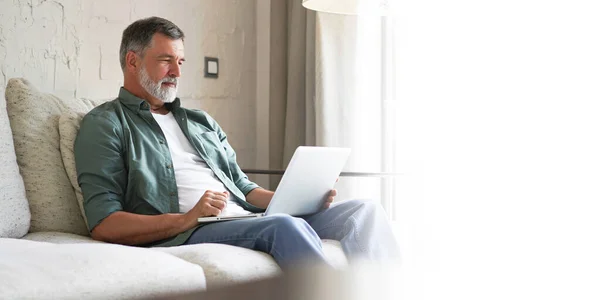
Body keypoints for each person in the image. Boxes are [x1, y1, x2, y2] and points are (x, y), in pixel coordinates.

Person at [75, 16, 399, 269]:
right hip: (190, 231)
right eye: (165, 60)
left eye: (181, 61)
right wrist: (188, 218)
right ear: (132, 61)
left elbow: (243, 188)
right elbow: (104, 224)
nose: (176, 71)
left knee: (364, 210)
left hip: (244, 217)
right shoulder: (106, 124)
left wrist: (300, 197)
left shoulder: (199, 121)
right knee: (282, 226)